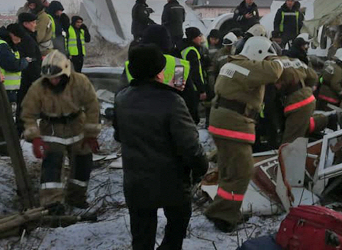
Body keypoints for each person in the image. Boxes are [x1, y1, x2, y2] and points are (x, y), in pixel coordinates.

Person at [114, 44, 208, 250]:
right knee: (177, 228)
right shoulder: (172, 100)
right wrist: (201, 167)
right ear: (159, 70)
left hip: (136, 179)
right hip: (172, 180)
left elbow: (119, 135)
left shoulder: (121, 99)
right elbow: (190, 145)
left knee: (141, 236)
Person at [205, 36, 283, 232]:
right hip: (233, 123)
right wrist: (277, 59)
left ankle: (221, 209)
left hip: (221, 120)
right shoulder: (247, 67)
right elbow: (274, 71)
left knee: (228, 169)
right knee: (242, 170)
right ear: (258, 53)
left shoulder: (232, 64)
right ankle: (224, 216)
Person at [21, 50, 100, 212]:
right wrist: (35, 138)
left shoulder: (80, 82)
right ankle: (51, 203)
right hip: (52, 130)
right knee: (52, 167)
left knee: (83, 164)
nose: (54, 82)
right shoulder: (38, 88)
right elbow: (28, 114)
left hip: (77, 126)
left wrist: (91, 134)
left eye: (57, 78)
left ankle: (76, 198)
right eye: (50, 79)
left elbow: (92, 106)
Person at [0, 24, 29, 156]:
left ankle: (5, 150)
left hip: (7, 90)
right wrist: (24, 62)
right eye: (18, 38)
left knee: (4, 122)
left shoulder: (6, 44)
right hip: (2, 90)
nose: (19, 41)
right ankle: (1, 152)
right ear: (12, 34)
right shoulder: (2, 45)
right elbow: (12, 64)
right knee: (1, 123)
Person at [16, 12, 42, 132]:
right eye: (33, 22)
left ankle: (23, 128)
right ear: (25, 24)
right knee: (25, 103)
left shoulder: (28, 35)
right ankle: (22, 129)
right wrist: (36, 78)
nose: (35, 25)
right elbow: (30, 58)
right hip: (28, 76)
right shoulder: (25, 37)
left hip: (27, 75)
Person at [181, 27, 208, 110]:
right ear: (194, 38)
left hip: (186, 87)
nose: (201, 39)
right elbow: (195, 72)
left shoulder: (184, 48)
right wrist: (201, 90)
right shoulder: (192, 51)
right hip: (193, 88)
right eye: (199, 36)